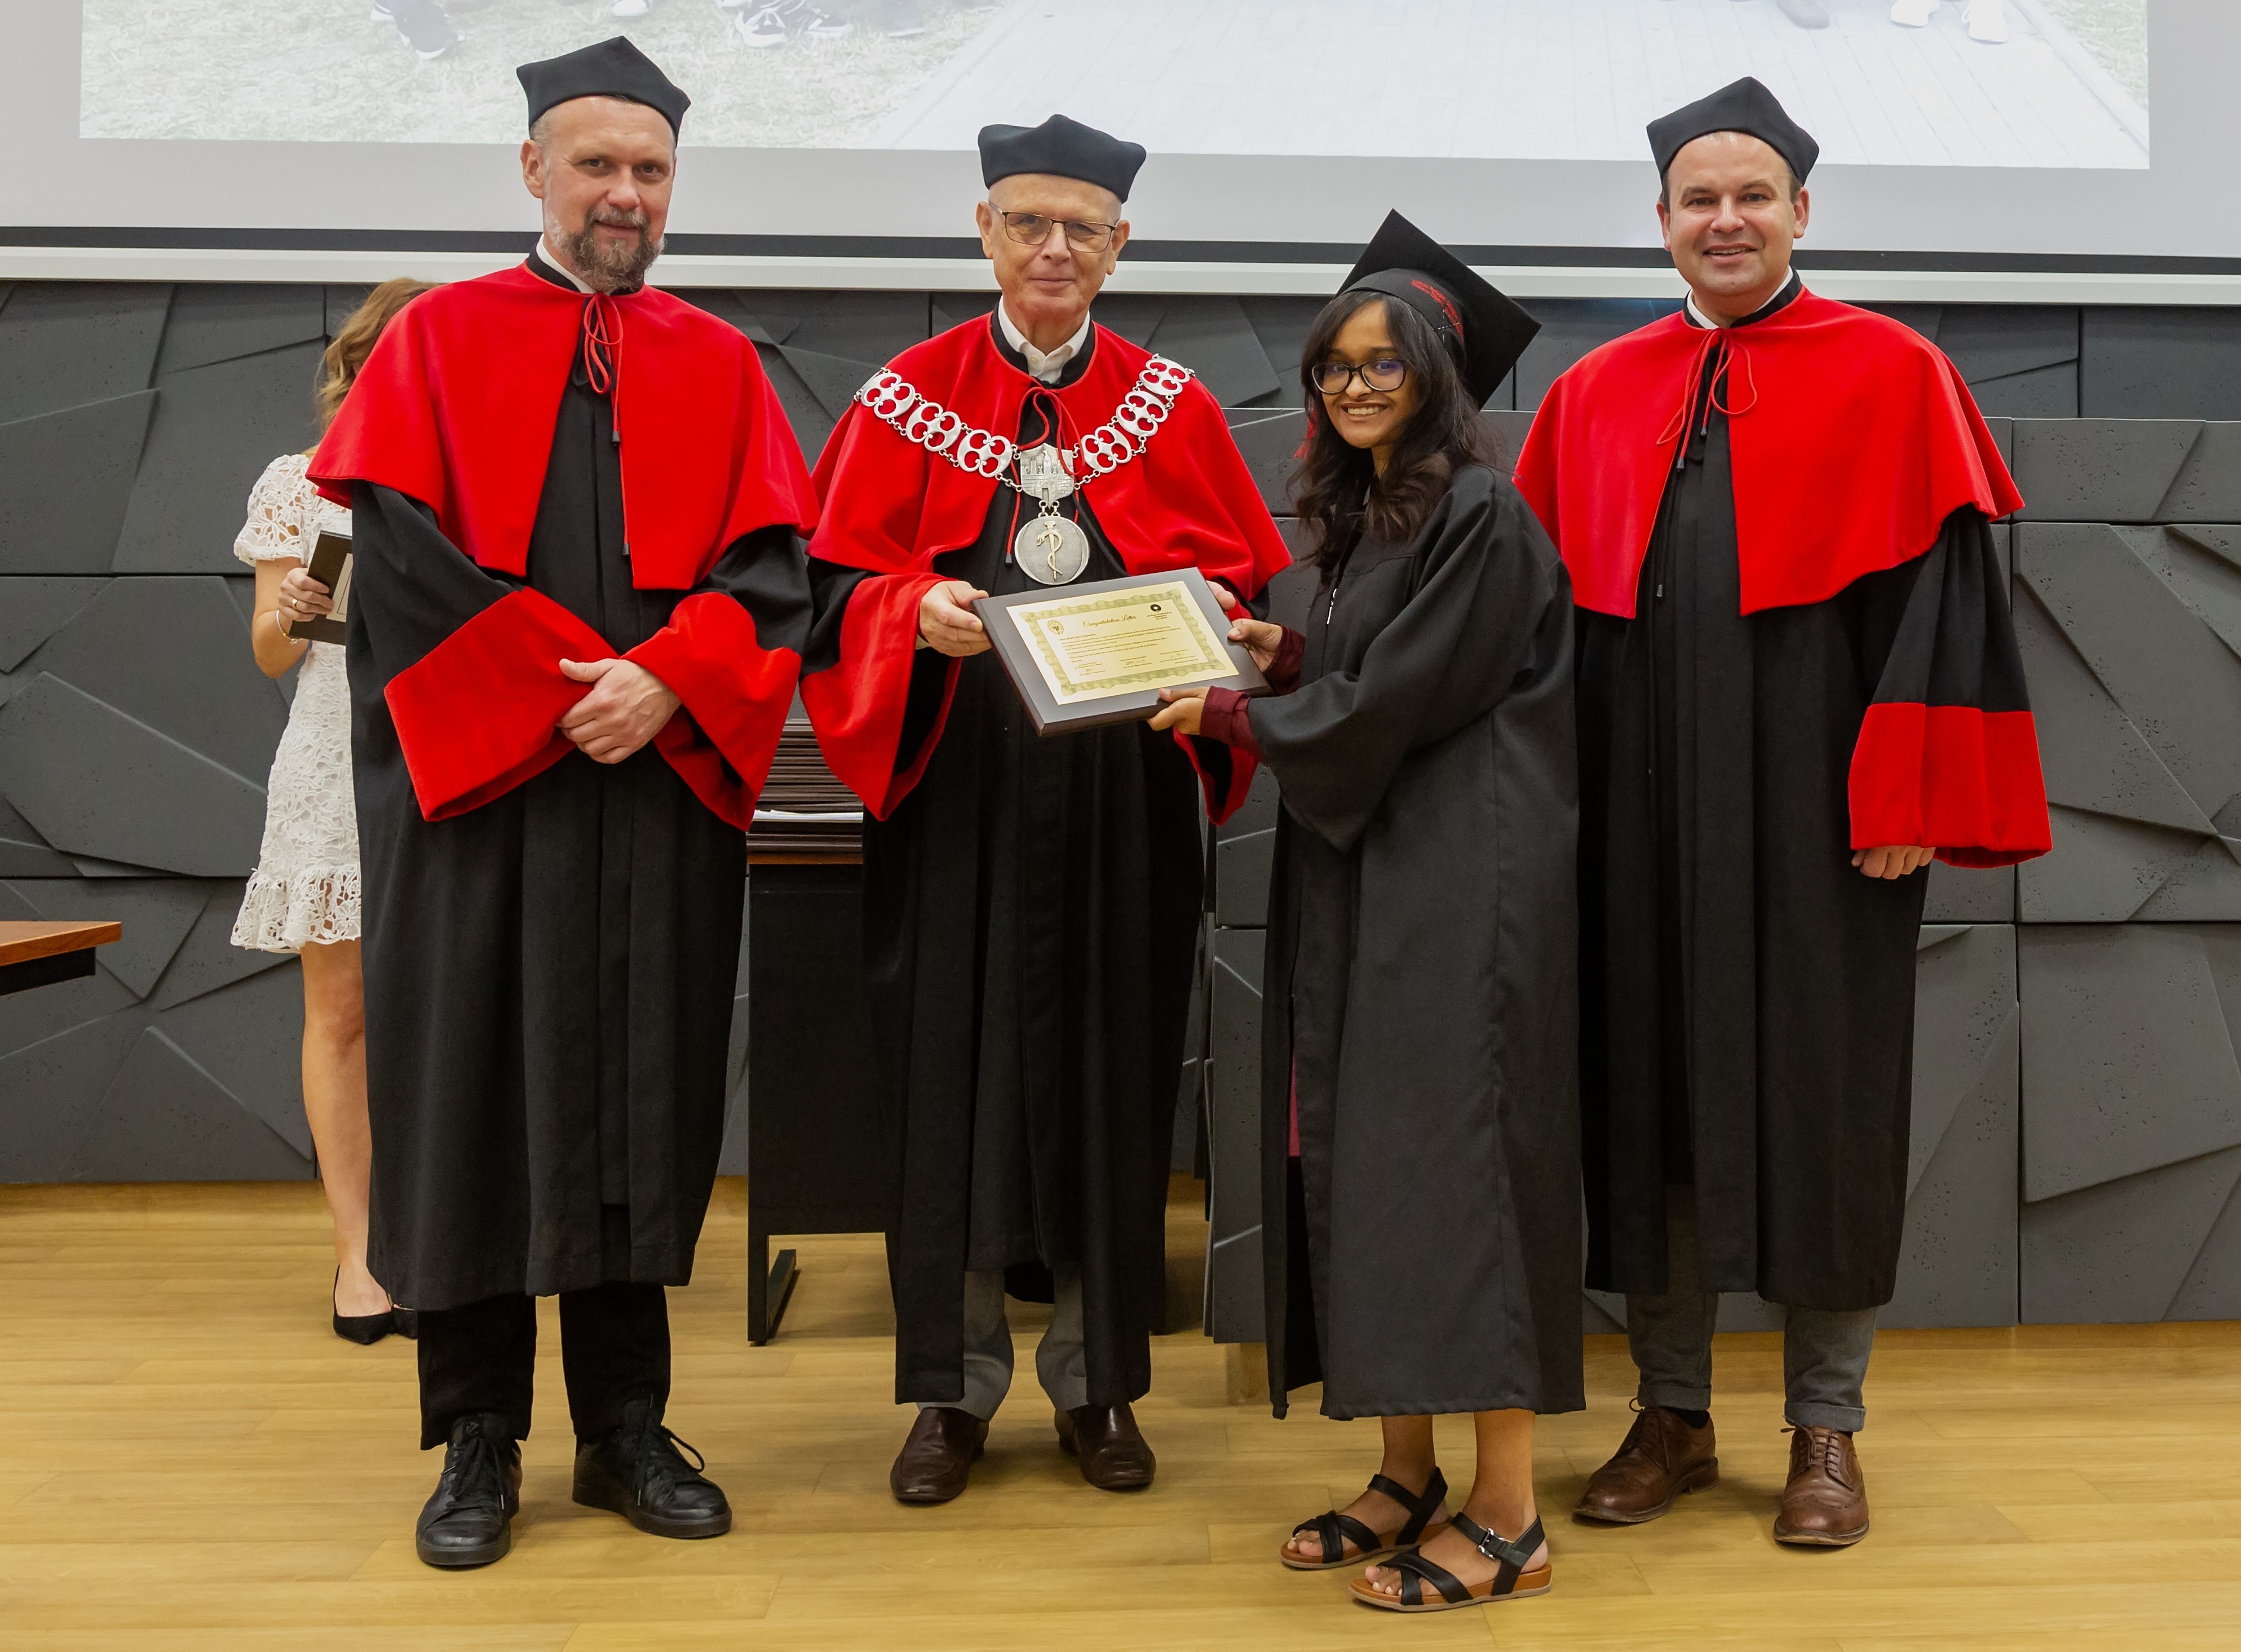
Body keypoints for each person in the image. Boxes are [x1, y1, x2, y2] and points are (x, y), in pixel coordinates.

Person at [1515, 78, 2049, 1549]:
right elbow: (1535, 628)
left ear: (1800, 212)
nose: (1726, 218)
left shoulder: (1893, 373)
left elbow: (1945, 612)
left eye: (1752, 196)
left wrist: (1908, 795)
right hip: (1636, 822)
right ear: (1661, 222)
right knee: (1648, 1100)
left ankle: (1825, 1425)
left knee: (1827, 1100)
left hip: (1825, 820)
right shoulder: (1594, 392)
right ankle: (1670, 1413)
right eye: (1699, 199)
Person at [308, 38, 818, 1569]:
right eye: (597, 163)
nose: (624, 192)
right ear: (533, 168)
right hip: (480, 799)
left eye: (650, 169)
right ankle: (477, 1433)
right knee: (466, 1088)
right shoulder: (436, 340)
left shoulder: (717, 361)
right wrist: (561, 689)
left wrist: (667, 678)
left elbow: (770, 578)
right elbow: (402, 572)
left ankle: (623, 1429)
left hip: (651, 788)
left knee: (638, 1090)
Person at [799, 113, 1289, 1505]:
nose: (1054, 247)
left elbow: (1237, 584)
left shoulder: (1172, 405)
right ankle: (949, 1390)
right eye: (1028, 221)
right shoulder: (904, 396)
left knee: (1113, 1075)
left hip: (1117, 794)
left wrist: (1210, 624)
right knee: (944, 1082)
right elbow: (828, 590)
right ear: (984, 231)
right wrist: (911, 608)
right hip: (954, 792)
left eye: (1081, 227)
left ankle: (1099, 1382)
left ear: (1119, 245)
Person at [1151, 214, 1580, 1614]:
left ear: (1434, 376)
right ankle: (1406, 1474)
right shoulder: (1362, 521)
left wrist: (1236, 711)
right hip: (1369, 871)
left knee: (1462, 1174)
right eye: (1332, 366)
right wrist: (1284, 652)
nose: (1350, 386)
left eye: (1380, 364)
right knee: (1366, 1160)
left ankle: (1509, 1513)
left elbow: (1405, 696)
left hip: (1461, 886)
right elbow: (1366, 670)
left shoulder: (1479, 511)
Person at [233, 277, 432, 1347]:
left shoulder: (474, 476)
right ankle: (360, 1252)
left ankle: (440, 1241)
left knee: (447, 1008)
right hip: (334, 754)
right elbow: (271, 651)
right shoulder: (298, 482)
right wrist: (296, 606)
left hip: (447, 748)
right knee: (344, 1011)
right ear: (356, 367)